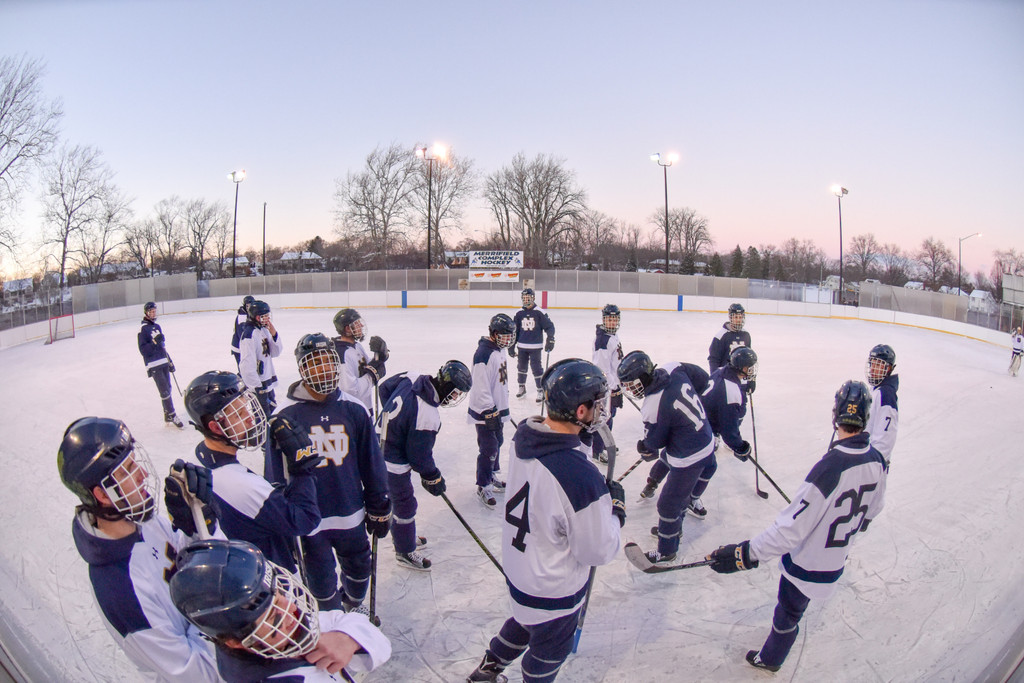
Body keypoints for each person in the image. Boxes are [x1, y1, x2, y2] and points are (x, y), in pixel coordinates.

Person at [705, 380, 887, 673]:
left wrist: (746, 554)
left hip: (807, 563)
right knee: (795, 610)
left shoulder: (830, 467)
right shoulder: (877, 460)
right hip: (836, 560)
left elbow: (790, 531)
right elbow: (874, 509)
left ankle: (771, 659)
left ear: (835, 414)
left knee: (788, 612)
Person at [466, 359, 624, 683]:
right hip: (554, 591)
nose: (601, 410)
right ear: (580, 412)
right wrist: (615, 512)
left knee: (524, 620)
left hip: (521, 573)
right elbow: (596, 551)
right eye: (596, 404)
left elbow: (557, 476)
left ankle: (488, 669)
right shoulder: (580, 478)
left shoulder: (526, 436)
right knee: (547, 653)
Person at [59, 416, 221, 682]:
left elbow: (188, 561)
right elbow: (199, 676)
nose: (143, 475)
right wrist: (210, 601)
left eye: (135, 463)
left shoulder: (143, 521)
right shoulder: (119, 591)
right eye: (127, 471)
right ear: (102, 494)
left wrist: (197, 527)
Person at [265, 334, 392, 613]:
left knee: (360, 570)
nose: (324, 369)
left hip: (351, 512)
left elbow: (372, 465)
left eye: (328, 362)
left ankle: (353, 603)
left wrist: (380, 504)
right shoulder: (283, 416)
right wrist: (282, 522)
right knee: (320, 581)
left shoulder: (354, 409)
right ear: (302, 369)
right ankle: (333, 623)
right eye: (315, 364)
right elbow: (274, 477)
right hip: (310, 521)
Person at [170, 538, 391, 682]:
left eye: (280, 595)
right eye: (275, 618)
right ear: (236, 642)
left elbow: (357, 630)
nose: (292, 609)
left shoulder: (255, 638)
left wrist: (347, 637)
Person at [184, 370, 321, 573]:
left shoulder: (197, 459)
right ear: (215, 427)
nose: (250, 418)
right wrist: (302, 469)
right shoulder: (241, 485)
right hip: (269, 588)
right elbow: (305, 520)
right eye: (239, 414)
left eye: (245, 408)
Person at [618, 350, 715, 564]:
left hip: (690, 456)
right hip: (706, 437)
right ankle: (672, 527)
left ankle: (667, 550)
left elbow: (654, 445)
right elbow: (702, 378)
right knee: (677, 497)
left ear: (644, 377)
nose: (630, 389)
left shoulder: (652, 405)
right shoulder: (673, 368)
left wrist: (644, 448)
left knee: (668, 504)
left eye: (632, 383)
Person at [638, 348, 755, 520]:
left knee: (671, 450)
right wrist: (741, 447)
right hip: (703, 429)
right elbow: (729, 432)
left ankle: (653, 481)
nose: (751, 370)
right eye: (749, 367)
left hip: (690, 415)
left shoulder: (721, 370)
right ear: (742, 368)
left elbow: (703, 384)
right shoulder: (732, 393)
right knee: (709, 466)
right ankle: (691, 500)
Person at [378, 359, 472, 571]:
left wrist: (391, 423)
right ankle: (404, 549)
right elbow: (418, 456)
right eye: (456, 392)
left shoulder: (412, 376)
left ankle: (405, 536)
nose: (455, 398)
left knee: (396, 500)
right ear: (447, 385)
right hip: (391, 461)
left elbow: (385, 388)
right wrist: (433, 476)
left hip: (378, 443)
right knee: (405, 504)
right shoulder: (428, 415)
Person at [467, 313, 515, 509]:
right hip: (486, 411)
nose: (509, 339)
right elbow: (480, 386)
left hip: (499, 407)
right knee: (488, 448)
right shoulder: (483, 354)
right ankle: (483, 484)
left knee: (499, 442)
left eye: (511, 335)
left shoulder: (500, 350)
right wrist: (489, 410)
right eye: (505, 335)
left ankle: (492, 474)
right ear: (494, 334)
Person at [331, 308, 388, 414]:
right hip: (353, 412)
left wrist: (381, 356)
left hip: (364, 406)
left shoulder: (356, 346)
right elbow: (349, 390)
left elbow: (368, 367)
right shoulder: (342, 354)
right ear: (348, 329)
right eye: (357, 324)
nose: (361, 326)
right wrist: (372, 376)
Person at [137, 301, 183, 428]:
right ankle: (172, 414)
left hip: (163, 361)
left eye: (154, 311)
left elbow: (163, 347)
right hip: (154, 364)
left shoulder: (157, 326)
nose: (153, 313)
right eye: (151, 311)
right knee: (164, 390)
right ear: (146, 313)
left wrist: (170, 361)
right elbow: (143, 350)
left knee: (168, 388)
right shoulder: (142, 329)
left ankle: (167, 414)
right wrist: (153, 342)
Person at [590, 303, 624, 463]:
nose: (612, 322)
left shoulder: (612, 336)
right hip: (606, 388)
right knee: (603, 419)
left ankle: (604, 445)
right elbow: (602, 370)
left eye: (614, 319)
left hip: (612, 386)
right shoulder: (603, 341)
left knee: (610, 417)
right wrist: (615, 387)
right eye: (609, 319)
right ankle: (597, 451)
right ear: (604, 320)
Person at [510, 288, 555, 403]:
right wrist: (511, 346)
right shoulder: (518, 313)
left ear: (533, 298)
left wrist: (550, 339)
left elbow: (549, 327)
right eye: (524, 298)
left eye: (528, 298)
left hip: (535, 346)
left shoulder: (540, 312)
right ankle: (521, 387)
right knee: (521, 367)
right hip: (522, 346)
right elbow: (515, 331)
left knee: (536, 368)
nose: (526, 300)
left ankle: (540, 390)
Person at [238, 300, 283, 416]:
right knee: (262, 418)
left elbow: (275, 352)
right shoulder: (249, 335)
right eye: (264, 316)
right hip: (259, 386)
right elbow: (246, 366)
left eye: (268, 315)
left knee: (272, 416)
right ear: (256, 317)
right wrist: (257, 388)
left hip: (267, 383)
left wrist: (274, 334)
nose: (268, 319)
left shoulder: (263, 330)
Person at [864, 344, 899, 464]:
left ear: (888, 368)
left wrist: (871, 463)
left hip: (872, 464)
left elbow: (884, 440)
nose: (873, 368)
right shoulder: (875, 390)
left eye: (878, 364)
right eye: (872, 363)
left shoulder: (886, 394)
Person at [708, 302, 752, 372]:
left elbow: (748, 357)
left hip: (740, 376)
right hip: (725, 376)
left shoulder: (746, 335)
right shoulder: (720, 336)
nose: (738, 320)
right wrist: (715, 377)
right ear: (730, 318)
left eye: (740, 317)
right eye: (735, 317)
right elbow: (714, 359)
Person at [230, 295, 256, 366]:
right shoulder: (242, 316)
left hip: (243, 348)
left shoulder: (248, 314)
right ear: (244, 305)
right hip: (239, 348)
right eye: (247, 305)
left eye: (251, 305)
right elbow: (242, 334)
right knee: (244, 370)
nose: (249, 307)